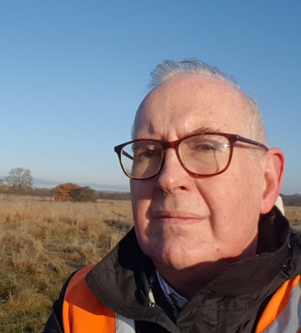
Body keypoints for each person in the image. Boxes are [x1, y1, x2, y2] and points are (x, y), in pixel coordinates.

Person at [43, 59, 300, 333]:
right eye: (148, 153)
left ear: (267, 181)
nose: (168, 178)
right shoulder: (81, 299)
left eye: (205, 147)